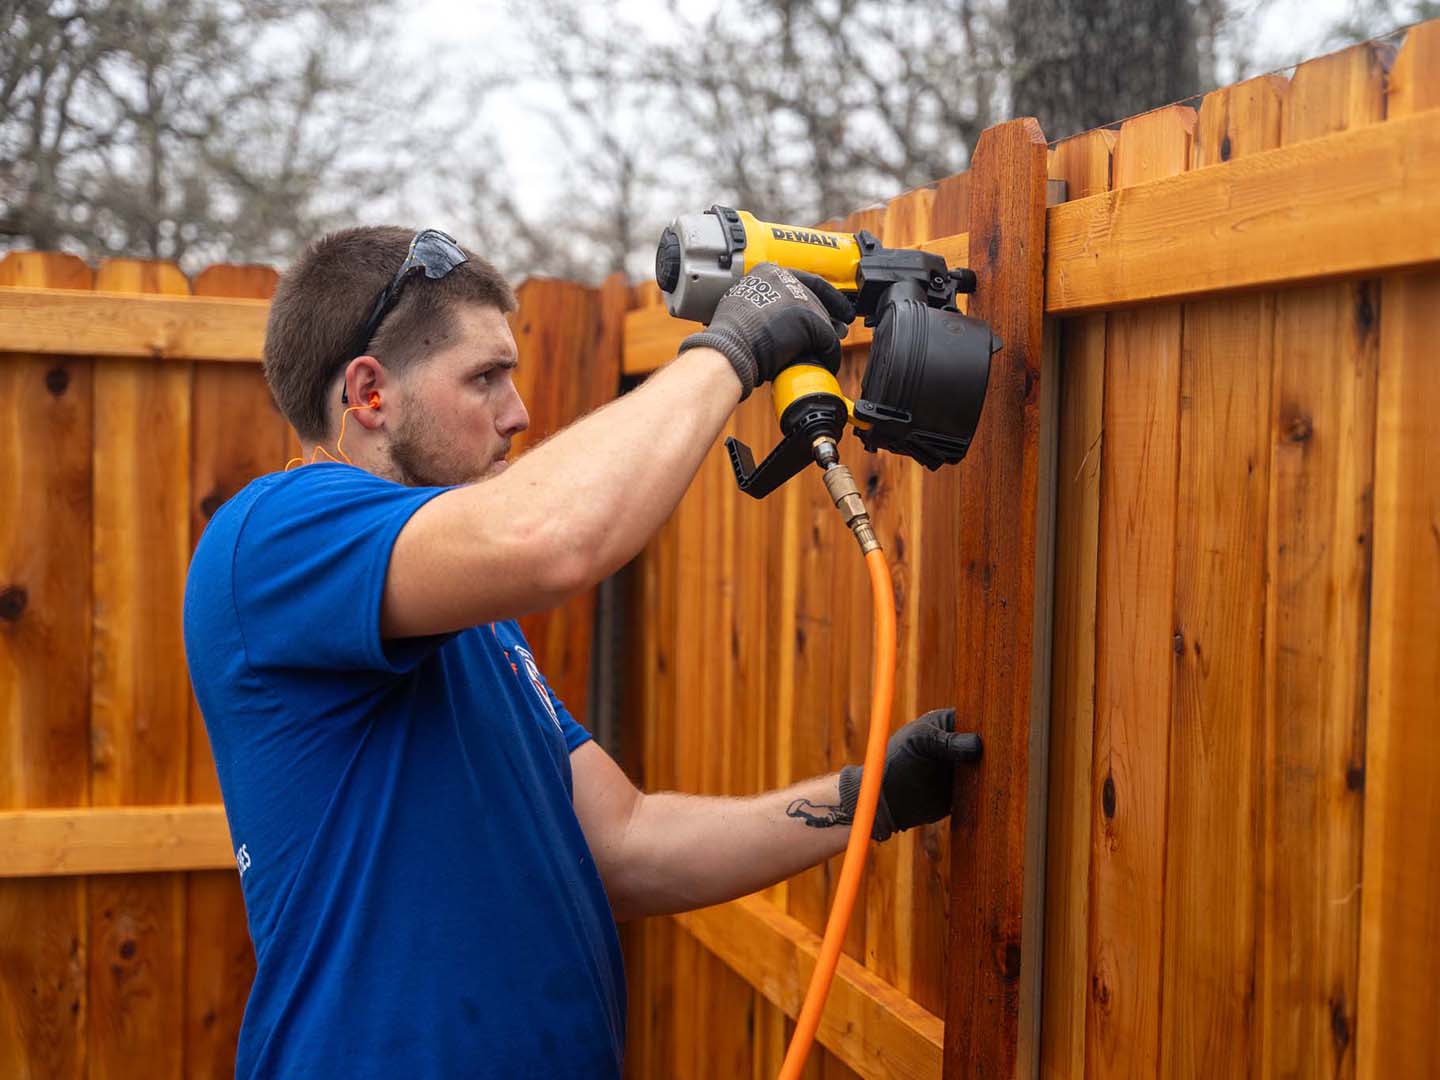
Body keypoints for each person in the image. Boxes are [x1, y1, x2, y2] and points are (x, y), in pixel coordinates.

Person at [183, 226, 980, 1079]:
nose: (518, 412)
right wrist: (734, 347)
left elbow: (625, 845)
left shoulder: (464, 620)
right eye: (485, 377)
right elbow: (553, 537)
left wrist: (871, 799)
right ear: (370, 394)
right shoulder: (273, 535)